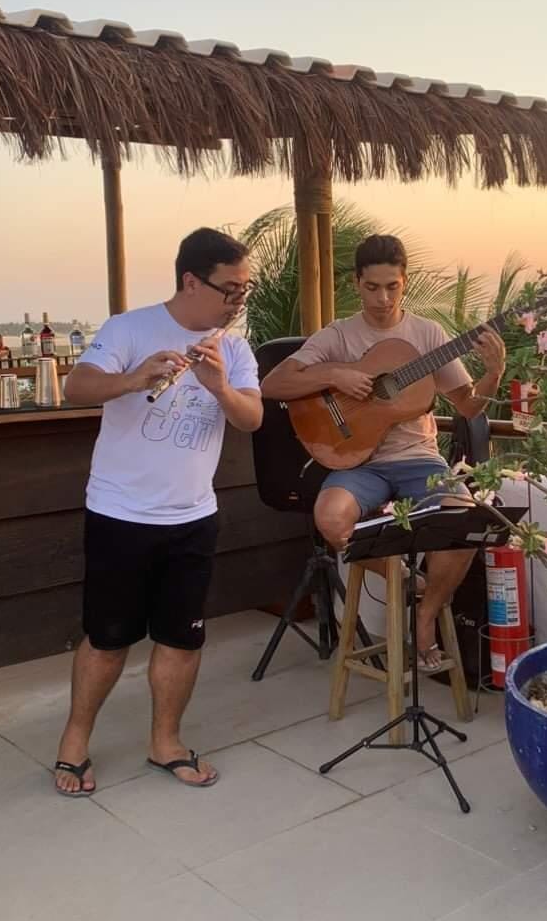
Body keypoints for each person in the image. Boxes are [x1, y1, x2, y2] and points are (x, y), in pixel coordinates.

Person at [54, 228, 263, 797]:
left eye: (244, 290)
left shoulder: (233, 348)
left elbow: (252, 419)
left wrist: (220, 387)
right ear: (191, 281)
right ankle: (74, 740)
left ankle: (165, 742)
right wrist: (132, 378)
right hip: (120, 513)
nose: (237, 300)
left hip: (192, 516)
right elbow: (77, 387)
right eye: (230, 289)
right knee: (107, 638)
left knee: (182, 638)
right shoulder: (129, 328)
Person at [261, 234, 505, 671]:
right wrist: (334, 375)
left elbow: (468, 407)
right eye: (372, 287)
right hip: (360, 462)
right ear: (357, 282)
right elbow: (272, 384)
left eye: (392, 287)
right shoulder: (338, 335)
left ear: (404, 282)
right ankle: (409, 580)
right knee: (331, 518)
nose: (383, 298)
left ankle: (425, 618)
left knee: (465, 519)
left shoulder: (427, 335)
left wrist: (494, 372)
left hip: (419, 460)